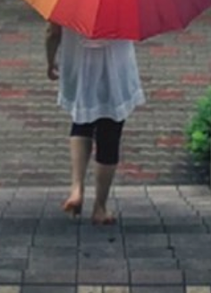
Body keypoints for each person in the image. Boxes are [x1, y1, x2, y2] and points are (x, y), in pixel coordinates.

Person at [45, 21, 145, 225]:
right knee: (110, 133)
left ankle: (76, 187)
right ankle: (100, 207)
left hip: (80, 67)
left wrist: (50, 61)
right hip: (116, 69)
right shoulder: (124, 0)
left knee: (81, 121)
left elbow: (52, 32)